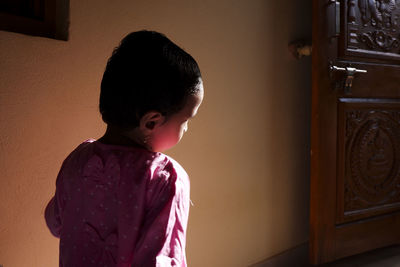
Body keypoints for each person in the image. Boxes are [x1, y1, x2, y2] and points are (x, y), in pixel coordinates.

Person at [45, 30, 204, 267]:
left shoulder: (78, 160)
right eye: (186, 120)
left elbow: (55, 222)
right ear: (151, 122)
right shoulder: (165, 179)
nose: (187, 129)